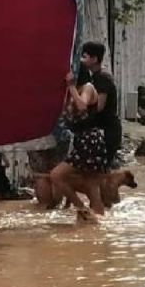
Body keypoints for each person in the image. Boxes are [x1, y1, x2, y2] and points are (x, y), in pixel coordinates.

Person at [50, 66, 108, 217]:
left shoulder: (87, 88)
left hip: (90, 141)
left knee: (56, 175)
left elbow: (82, 106)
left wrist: (71, 87)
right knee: (91, 187)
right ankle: (95, 223)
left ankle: (82, 209)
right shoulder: (75, 92)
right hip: (85, 141)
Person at [80, 41, 122, 205]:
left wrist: (80, 109)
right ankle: (108, 205)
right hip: (106, 130)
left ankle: (107, 205)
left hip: (107, 131)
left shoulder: (101, 79)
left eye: (84, 57)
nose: (81, 60)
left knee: (102, 173)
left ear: (94, 59)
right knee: (102, 172)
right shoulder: (98, 77)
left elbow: (99, 106)